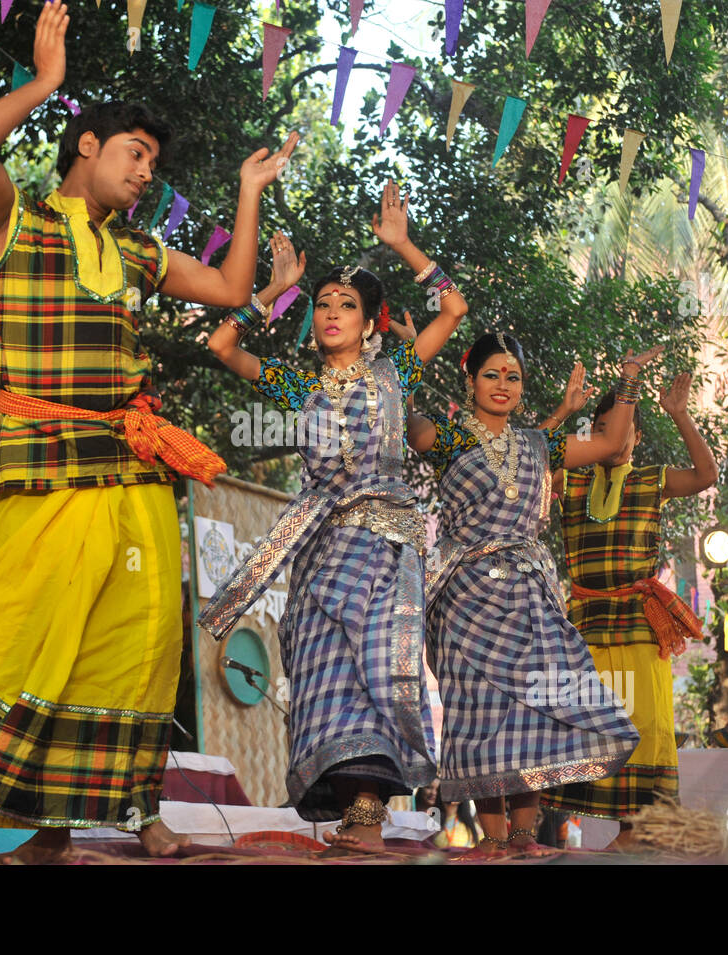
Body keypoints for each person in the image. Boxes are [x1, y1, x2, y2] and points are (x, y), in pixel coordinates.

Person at [0, 1, 296, 863]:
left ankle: (136, 815)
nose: (145, 173)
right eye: (136, 154)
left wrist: (248, 193)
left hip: (131, 470)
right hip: (47, 469)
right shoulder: (15, 223)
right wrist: (46, 82)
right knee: (29, 626)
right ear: (87, 147)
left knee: (134, 645)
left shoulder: (136, 252)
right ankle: (35, 824)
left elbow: (233, 288)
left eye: (153, 163)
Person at [198, 181, 467, 854]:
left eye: (347, 304)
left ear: (373, 321)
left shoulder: (395, 371)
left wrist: (404, 245)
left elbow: (454, 307)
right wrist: (272, 289)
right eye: (321, 304)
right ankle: (358, 814)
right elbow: (222, 345)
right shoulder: (298, 384)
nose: (331, 314)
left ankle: (369, 817)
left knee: (375, 666)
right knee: (324, 668)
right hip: (320, 548)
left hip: (382, 543)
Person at [405, 334, 661, 857]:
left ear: (522, 388)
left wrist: (628, 379)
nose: (502, 385)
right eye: (491, 374)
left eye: (513, 377)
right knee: (477, 713)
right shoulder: (447, 438)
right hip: (465, 595)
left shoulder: (540, 446)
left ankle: (524, 836)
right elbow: (398, 417)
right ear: (470, 380)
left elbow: (612, 444)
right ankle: (493, 838)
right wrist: (413, 356)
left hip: (528, 591)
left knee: (538, 707)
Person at [542, 373, 718, 827]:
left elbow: (706, 475)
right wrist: (563, 413)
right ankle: (556, 836)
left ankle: (638, 832)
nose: (613, 437)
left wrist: (679, 414)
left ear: (637, 436)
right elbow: (529, 466)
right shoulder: (570, 482)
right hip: (583, 626)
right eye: (602, 428)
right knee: (581, 724)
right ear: (593, 435)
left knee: (643, 724)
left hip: (639, 626)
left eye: (622, 429)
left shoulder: (651, 479)